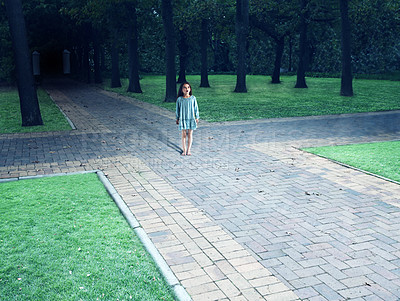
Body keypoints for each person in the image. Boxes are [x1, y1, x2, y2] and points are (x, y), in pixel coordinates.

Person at [176, 82, 199, 156]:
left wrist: (197, 117)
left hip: (191, 118)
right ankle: (184, 150)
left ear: (190, 89)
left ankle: (189, 150)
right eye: (185, 87)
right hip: (183, 119)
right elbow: (178, 109)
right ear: (182, 89)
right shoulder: (180, 99)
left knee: (190, 134)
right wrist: (177, 118)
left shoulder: (193, 98)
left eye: (188, 87)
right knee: (183, 135)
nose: (187, 89)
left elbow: (196, 108)